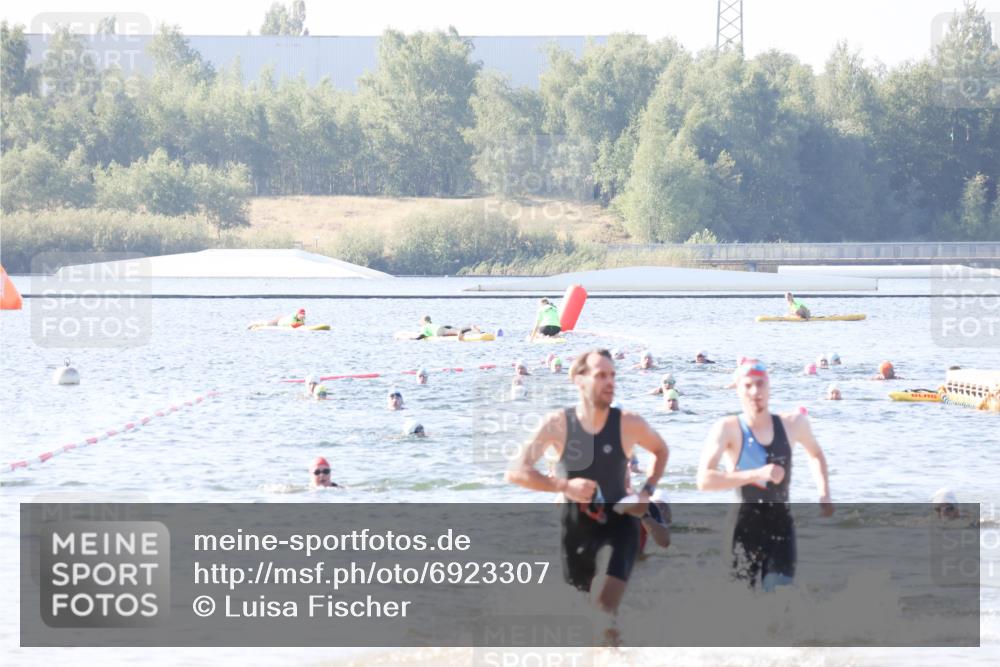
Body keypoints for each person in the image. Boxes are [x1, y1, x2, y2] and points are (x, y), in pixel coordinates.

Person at [506, 349, 669, 634]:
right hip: (576, 527)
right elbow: (516, 471)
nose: (609, 382)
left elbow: (660, 450)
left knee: (603, 606)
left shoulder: (629, 422)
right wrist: (563, 485)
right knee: (590, 614)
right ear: (579, 380)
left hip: (620, 524)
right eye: (600, 375)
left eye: (613, 375)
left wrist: (646, 492)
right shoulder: (557, 424)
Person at [697, 358, 833, 592]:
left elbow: (816, 454)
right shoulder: (728, 428)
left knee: (779, 605)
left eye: (760, 384)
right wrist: (756, 474)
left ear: (769, 387)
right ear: (738, 389)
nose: (755, 391)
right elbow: (704, 480)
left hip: (781, 529)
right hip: (741, 530)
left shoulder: (793, 424)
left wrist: (824, 494)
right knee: (740, 611)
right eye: (748, 385)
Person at [414, 316, 480, 340]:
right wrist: (451, 327)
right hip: (440, 327)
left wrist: (415, 339)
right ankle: (470, 328)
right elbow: (446, 326)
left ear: (424, 321)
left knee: (455, 333)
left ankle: (463, 330)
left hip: (438, 332)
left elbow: (422, 335)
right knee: (453, 332)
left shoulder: (424, 327)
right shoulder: (431, 324)